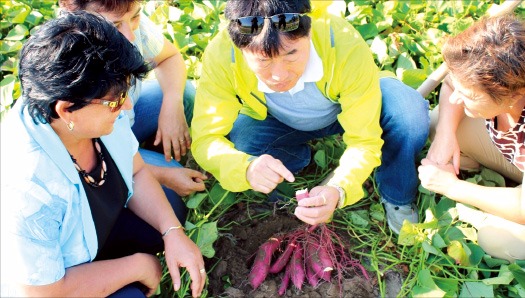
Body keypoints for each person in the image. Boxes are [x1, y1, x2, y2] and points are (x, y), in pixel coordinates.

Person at [0, 11, 206, 297]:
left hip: (93, 234)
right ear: (65, 109)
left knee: (171, 209)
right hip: (52, 286)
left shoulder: (94, 103)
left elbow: (136, 171)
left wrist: (173, 232)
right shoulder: (28, 189)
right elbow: (43, 293)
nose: (127, 108)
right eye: (116, 100)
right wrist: (137, 267)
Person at [191, 0, 429, 234]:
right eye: (263, 61)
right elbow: (206, 140)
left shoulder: (342, 40)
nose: (279, 75)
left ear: (309, 32)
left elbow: (364, 141)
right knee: (243, 143)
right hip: (278, 120)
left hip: (346, 107)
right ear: (240, 49)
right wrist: (245, 168)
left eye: (291, 54)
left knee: (407, 113)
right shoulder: (222, 54)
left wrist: (339, 187)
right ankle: (294, 162)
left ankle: (396, 193)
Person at [59, 0, 208, 198]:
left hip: (122, 125)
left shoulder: (123, 18)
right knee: (169, 195)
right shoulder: (70, 63)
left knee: (183, 95)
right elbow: (87, 158)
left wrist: (172, 106)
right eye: (114, 26)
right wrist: (163, 176)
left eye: (135, 16)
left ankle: (154, 149)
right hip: (96, 150)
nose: (130, 36)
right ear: (75, 17)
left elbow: (168, 57)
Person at [419, 15, 525, 261]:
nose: (458, 97)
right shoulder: (497, 81)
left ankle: (486, 205)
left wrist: (452, 187)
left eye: (470, 95)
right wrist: (446, 133)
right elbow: (450, 83)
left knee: (496, 238)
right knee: (439, 123)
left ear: (514, 94)